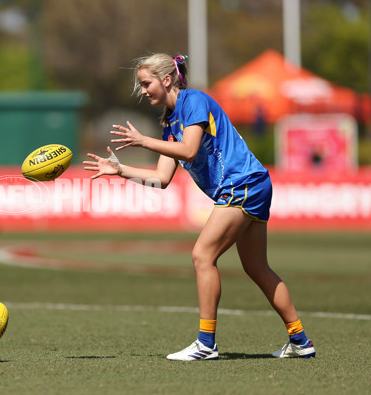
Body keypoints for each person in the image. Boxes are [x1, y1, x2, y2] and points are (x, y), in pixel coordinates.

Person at [84, 53, 315, 360]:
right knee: (257, 268)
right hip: (251, 183)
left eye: (146, 84)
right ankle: (300, 340)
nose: (143, 91)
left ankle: (206, 344)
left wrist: (144, 141)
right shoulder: (170, 121)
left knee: (202, 255)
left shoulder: (193, 101)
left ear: (166, 80)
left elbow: (190, 151)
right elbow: (161, 178)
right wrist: (121, 170)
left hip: (242, 183)